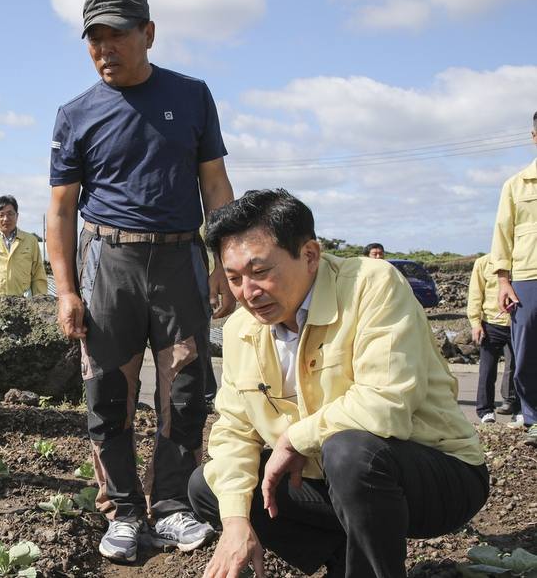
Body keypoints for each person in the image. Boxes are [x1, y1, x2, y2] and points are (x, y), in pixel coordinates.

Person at [189, 189, 487, 578]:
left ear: (310, 255)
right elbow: (233, 431)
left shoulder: (371, 285)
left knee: (349, 451)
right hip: (332, 481)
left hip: (436, 472)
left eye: (260, 272)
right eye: (234, 279)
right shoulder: (241, 329)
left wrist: (294, 438)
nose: (248, 293)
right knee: (210, 487)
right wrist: (234, 523)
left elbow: (386, 403)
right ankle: (347, 563)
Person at [46, 0, 235, 562]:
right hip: (109, 262)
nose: (104, 49)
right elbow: (60, 210)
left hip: (180, 260)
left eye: (116, 35)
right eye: (93, 39)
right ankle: (124, 510)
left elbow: (216, 184)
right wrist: (65, 289)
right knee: (108, 390)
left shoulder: (192, 95)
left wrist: (222, 263)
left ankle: (174, 505)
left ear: (148, 33)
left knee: (185, 388)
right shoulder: (75, 113)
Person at [491, 111, 537, 447]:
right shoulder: (516, 185)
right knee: (526, 353)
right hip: (526, 278)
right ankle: (534, 418)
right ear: (534, 136)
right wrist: (503, 281)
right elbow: (502, 234)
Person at [467, 253, 519, 424]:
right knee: (487, 370)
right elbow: (475, 294)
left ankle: (519, 410)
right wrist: (475, 323)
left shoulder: (522, 260)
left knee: (521, 369)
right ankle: (485, 410)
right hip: (491, 323)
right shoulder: (482, 263)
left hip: (519, 323)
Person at [0, 195, 48, 296]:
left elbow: (38, 275)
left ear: (17, 215)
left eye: (10, 214)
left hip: (21, 303)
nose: (6, 219)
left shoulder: (30, 241)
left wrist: (40, 301)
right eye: (1, 215)